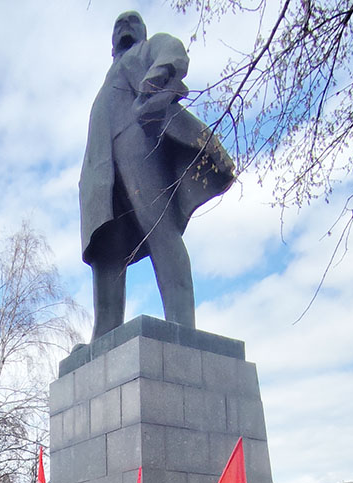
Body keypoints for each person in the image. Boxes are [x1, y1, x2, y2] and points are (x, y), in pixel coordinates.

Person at [80, 10, 233, 337]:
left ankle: (181, 325)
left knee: (158, 225)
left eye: (131, 22)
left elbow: (173, 50)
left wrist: (157, 78)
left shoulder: (145, 51)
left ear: (142, 32)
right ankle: (104, 332)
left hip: (137, 142)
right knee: (106, 248)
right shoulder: (109, 76)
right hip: (101, 168)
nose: (124, 26)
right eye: (118, 24)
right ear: (110, 45)